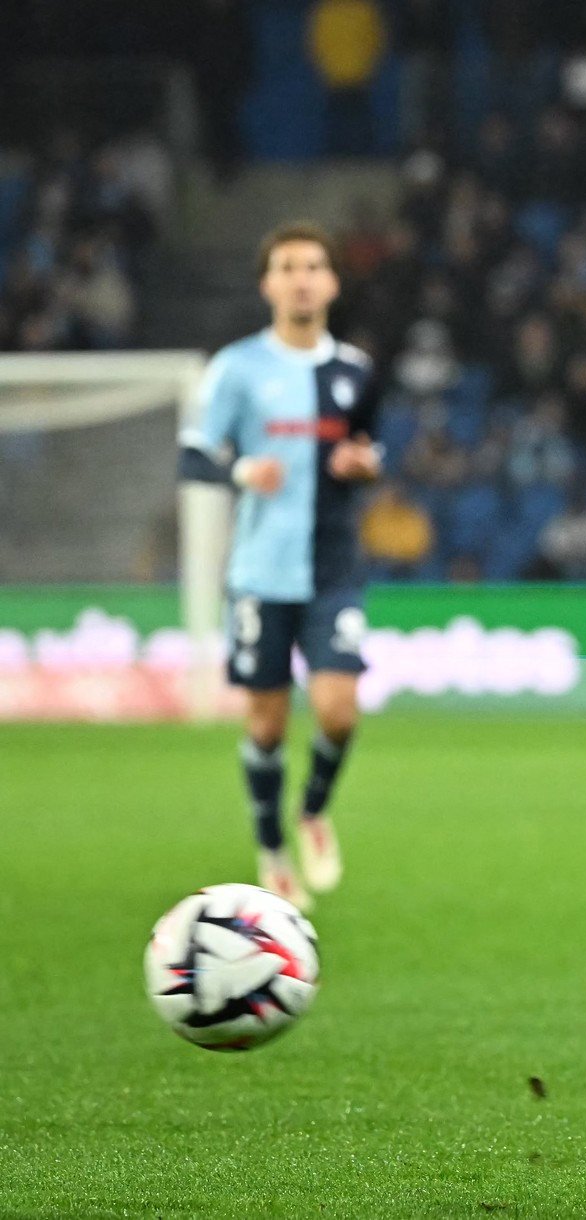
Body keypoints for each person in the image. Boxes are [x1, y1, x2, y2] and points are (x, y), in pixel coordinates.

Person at [179, 222, 383, 911]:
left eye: (314, 266)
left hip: (333, 567)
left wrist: (364, 466)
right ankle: (271, 849)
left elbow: (363, 455)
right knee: (266, 725)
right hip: (262, 571)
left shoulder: (355, 371)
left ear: (331, 283)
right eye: (287, 266)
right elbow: (192, 454)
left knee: (339, 711)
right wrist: (241, 467)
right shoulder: (237, 367)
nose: (301, 278)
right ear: (268, 283)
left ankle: (312, 813)